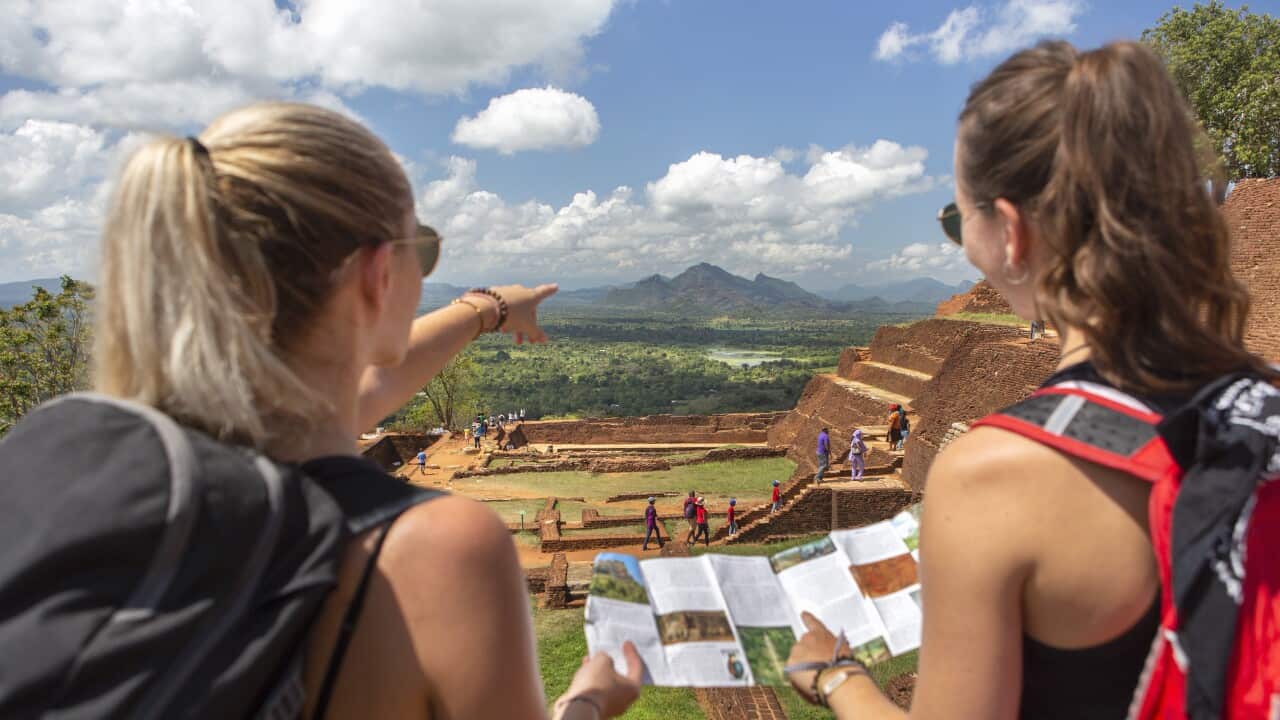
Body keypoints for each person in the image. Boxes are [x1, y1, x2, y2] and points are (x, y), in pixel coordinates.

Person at [0, 102, 644, 719]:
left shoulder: (58, 453)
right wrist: (584, 701)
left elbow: (357, 392)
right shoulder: (439, 551)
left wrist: (491, 308)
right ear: (376, 274)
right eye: (420, 249)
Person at [785, 40, 1278, 719]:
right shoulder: (1264, 408)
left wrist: (838, 679)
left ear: (1012, 232)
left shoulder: (999, 473)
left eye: (959, 222)